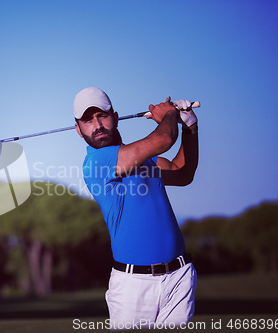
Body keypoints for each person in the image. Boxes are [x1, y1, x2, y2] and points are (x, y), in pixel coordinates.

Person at [73, 87, 199, 329]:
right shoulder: (96, 163)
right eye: (88, 120)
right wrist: (170, 114)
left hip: (179, 277)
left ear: (116, 117)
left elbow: (183, 173)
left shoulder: (145, 159)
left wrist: (190, 128)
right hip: (133, 286)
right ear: (78, 129)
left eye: (102, 116)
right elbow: (163, 139)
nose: (97, 125)